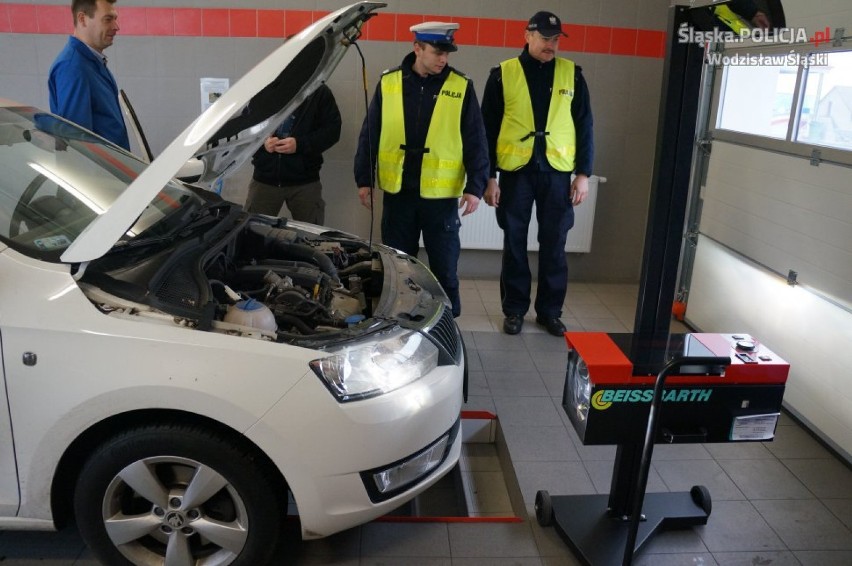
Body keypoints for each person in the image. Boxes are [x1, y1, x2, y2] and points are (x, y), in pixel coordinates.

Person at [354, 22, 489, 318]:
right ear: (417, 48)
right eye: (438, 52)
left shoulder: (460, 86)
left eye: (447, 53)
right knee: (397, 265)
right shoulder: (389, 83)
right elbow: (371, 133)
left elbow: (476, 140)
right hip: (399, 193)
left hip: (440, 198)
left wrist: (475, 187)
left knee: (444, 266)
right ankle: (398, 320)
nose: (444, 59)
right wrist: (363, 179)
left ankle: (447, 322)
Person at [481, 11, 594, 336]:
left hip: (557, 174)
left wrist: (584, 173)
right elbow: (486, 128)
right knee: (514, 242)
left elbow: (585, 125)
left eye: (556, 39)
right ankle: (514, 310)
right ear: (527, 35)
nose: (551, 45)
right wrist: (489, 176)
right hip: (516, 173)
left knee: (554, 243)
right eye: (545, 38)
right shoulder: (503, 74)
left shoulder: (572, 75)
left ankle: (549, 312)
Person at [245, 84, 341, 224]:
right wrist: (262, 142)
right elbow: (246, 128)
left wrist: (300, 144)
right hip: (265, 180)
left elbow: (333, 131)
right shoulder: (263, 89)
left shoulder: (319, 91)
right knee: (252, 235)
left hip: (304, 182)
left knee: (310, 240)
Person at [48, 0, 129, 150]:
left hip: (113, 168)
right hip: (100, 171)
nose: (116, 27)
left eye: (115, 19)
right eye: (108, 19)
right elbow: (76, 143)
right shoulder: (72, 68)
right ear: (82, 19)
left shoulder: (92, 61)